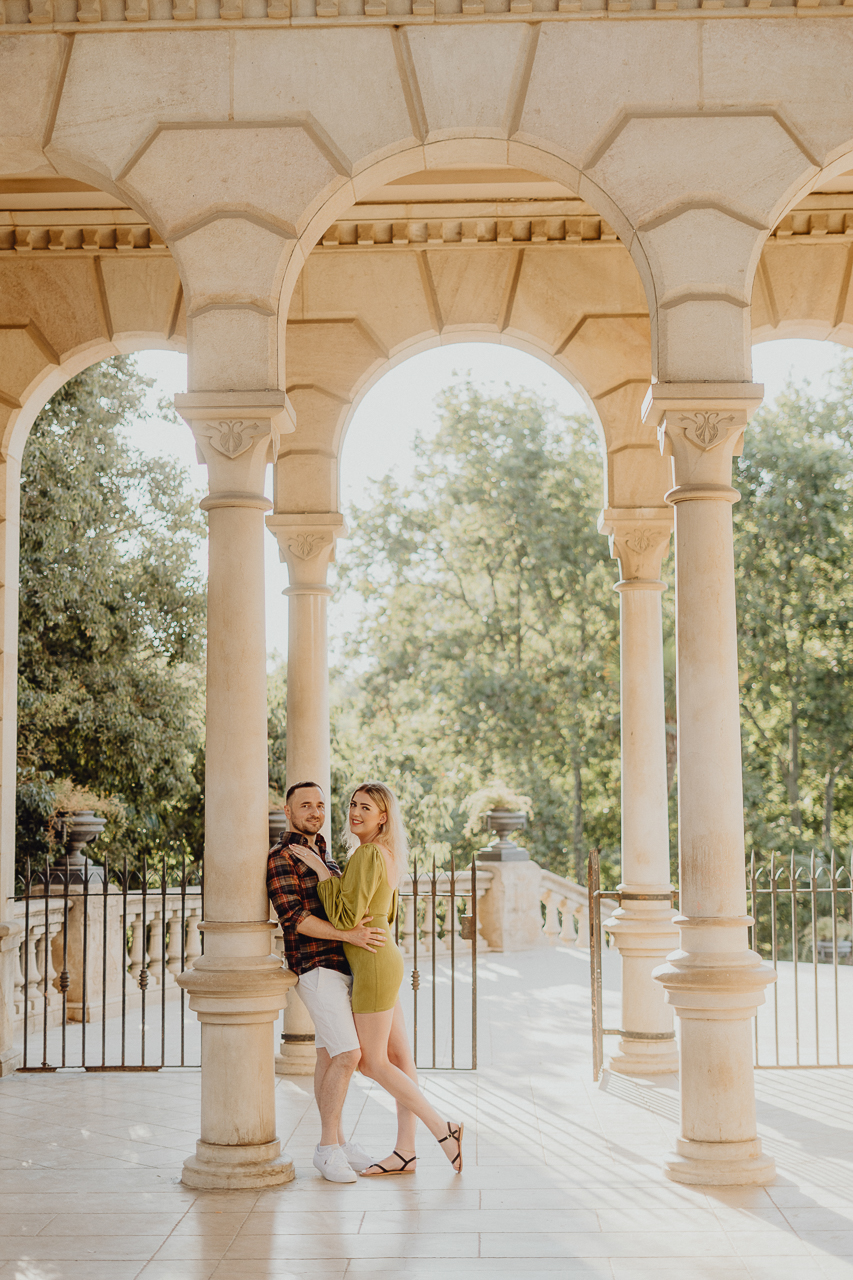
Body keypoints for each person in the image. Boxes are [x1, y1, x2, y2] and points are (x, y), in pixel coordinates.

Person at [316, 781, 464, 1176]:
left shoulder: (366, 854)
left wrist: (321, 873)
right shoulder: (388, 854)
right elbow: (386, 913)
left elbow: (346, 918)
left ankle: (443, 1129)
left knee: (372, 1063)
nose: (355, 812)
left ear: (383, 817)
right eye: (352, 804)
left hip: (373, 963)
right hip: (384, 959)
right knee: (399, 1059)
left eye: (366, 807)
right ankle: (405, 1151)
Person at [267, 780, 384, 1184]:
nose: (315, 812)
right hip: (315, 967)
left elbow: (345, 907)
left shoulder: (325, 855)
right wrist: (349, 935)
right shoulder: (282, 857)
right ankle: (326, 1149)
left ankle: (338, 1139)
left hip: (342, 966)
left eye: (320, 804)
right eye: (305, 805)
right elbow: (295, 918)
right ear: (288, 810)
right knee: (349, 1055)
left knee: (328, 1056)